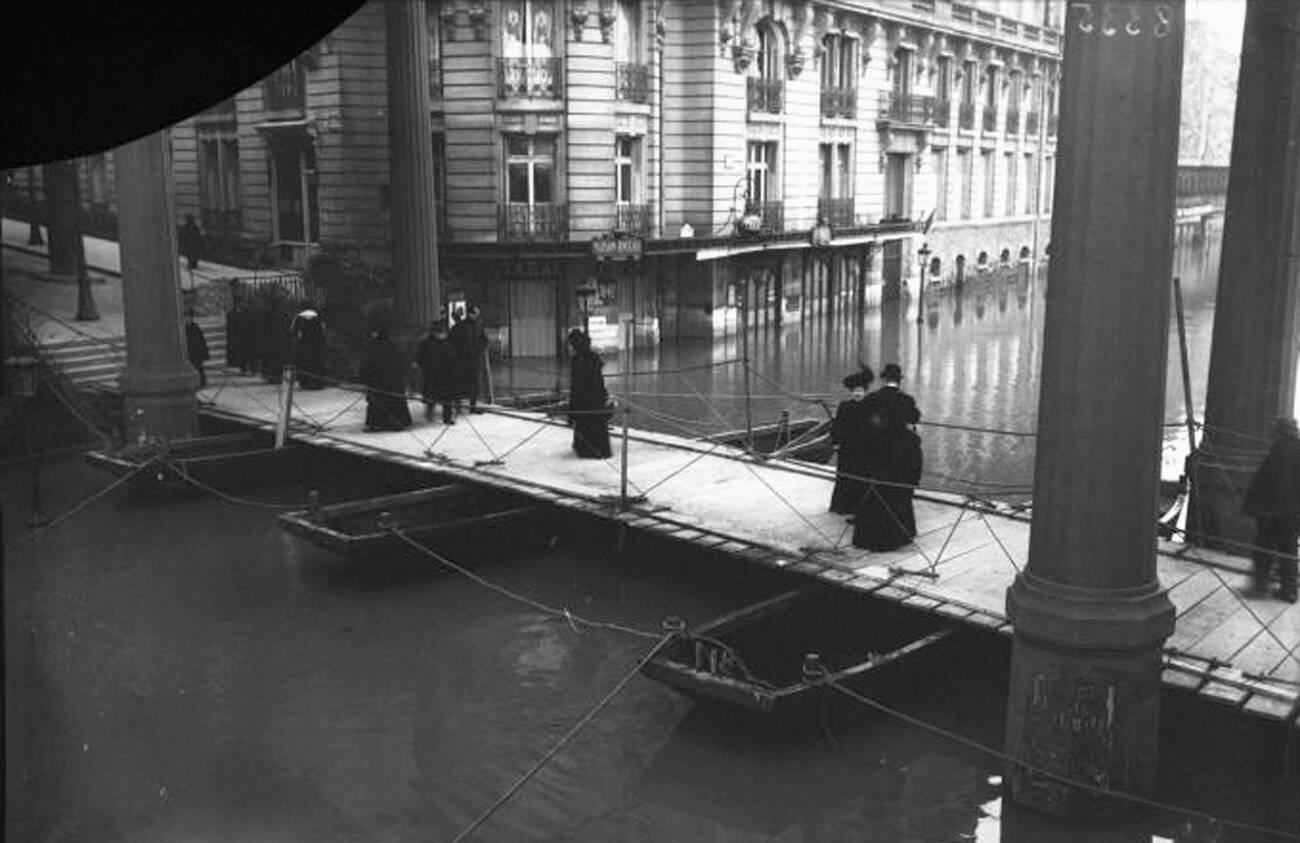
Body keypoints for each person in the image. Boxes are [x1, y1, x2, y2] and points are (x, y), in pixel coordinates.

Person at [852, 363, 923, 552]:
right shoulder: (906, 400)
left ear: (883, 379)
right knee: (896, 492)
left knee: (875, 490)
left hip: (875, 450)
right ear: (899, 381)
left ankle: (868, 536)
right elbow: (915, 418)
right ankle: (897, 535)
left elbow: (861, 419)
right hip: (898, 453)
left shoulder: (872, 398)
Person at [1242, 417, 1300, 603]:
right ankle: (1289, 591)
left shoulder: (1277, 452)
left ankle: (1260, 586)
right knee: (1289, 550)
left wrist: (1252, 508)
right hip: (1293, 513)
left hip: (1274, 513)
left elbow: (1266, 484)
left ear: (1279, 432)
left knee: (1264, 547)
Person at [829, 366, 875, 515]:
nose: (857, 393)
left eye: (860, 391)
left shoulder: (871, 407)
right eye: (855, 391)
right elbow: (837, 426)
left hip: (865, 448)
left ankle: (860, 507)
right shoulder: (845, 406)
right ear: (851, 392)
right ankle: (843, 506)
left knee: (863, 477)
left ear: (865, 391)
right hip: (847, 448)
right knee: (845, 477)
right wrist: (836, 442)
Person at [566, 328, 613, 458]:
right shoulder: (591, 358)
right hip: (594, 399)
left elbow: (576, 386)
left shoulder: (580, 360)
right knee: (593, 425)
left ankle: (588, 451)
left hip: (586, 400)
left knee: (587, 423)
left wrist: (572, 411)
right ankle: (594, 450)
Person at [360, 327, 412, 432]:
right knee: (394, 401)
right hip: (393, 381)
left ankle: (377, 423)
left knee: (377, 402)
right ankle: (397, 423)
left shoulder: (374, 348)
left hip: (378, 381)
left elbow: (368, 365)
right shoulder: (394, 347)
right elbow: (401, 363)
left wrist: (365, 377)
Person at [415, 319, 458, 424]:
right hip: (432, 373)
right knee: (431, 396)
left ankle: (447, 417)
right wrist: (418, 363)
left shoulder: (447, 344)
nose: (442, 335)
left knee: (446, 398)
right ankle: (430, 414)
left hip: (445, 375)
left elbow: (452, 359)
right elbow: (420, 356)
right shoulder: (426, 343)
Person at [449, 304, 489, 414]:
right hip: (462, 360)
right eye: (476, 314)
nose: (477, 316)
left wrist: (478, 350)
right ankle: (459, 406)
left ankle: (472, 406)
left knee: (473, 384)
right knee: (461, 383)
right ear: (471, 314)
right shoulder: (460, 326)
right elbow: (453, 343)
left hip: (473, 359)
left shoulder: (478, 325)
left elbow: (485, 340)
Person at [290, 305, 327, 389]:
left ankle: (305, 382)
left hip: (303, 345)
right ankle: (316, 383)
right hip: (316, 346)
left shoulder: (299, 317)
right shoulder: (317, 317)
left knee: (304, 363)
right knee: (315, 364)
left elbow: (293, 331)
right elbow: (322, 332)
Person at [184, 310, 210, 388]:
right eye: (186, 318)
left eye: (189, 318)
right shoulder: (183, 329)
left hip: (197, 352)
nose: (187, 319)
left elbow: (201, 340)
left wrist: (204, 352)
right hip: (189, 352)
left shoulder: (196, 327)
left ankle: (202, 382)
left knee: (199, 368)